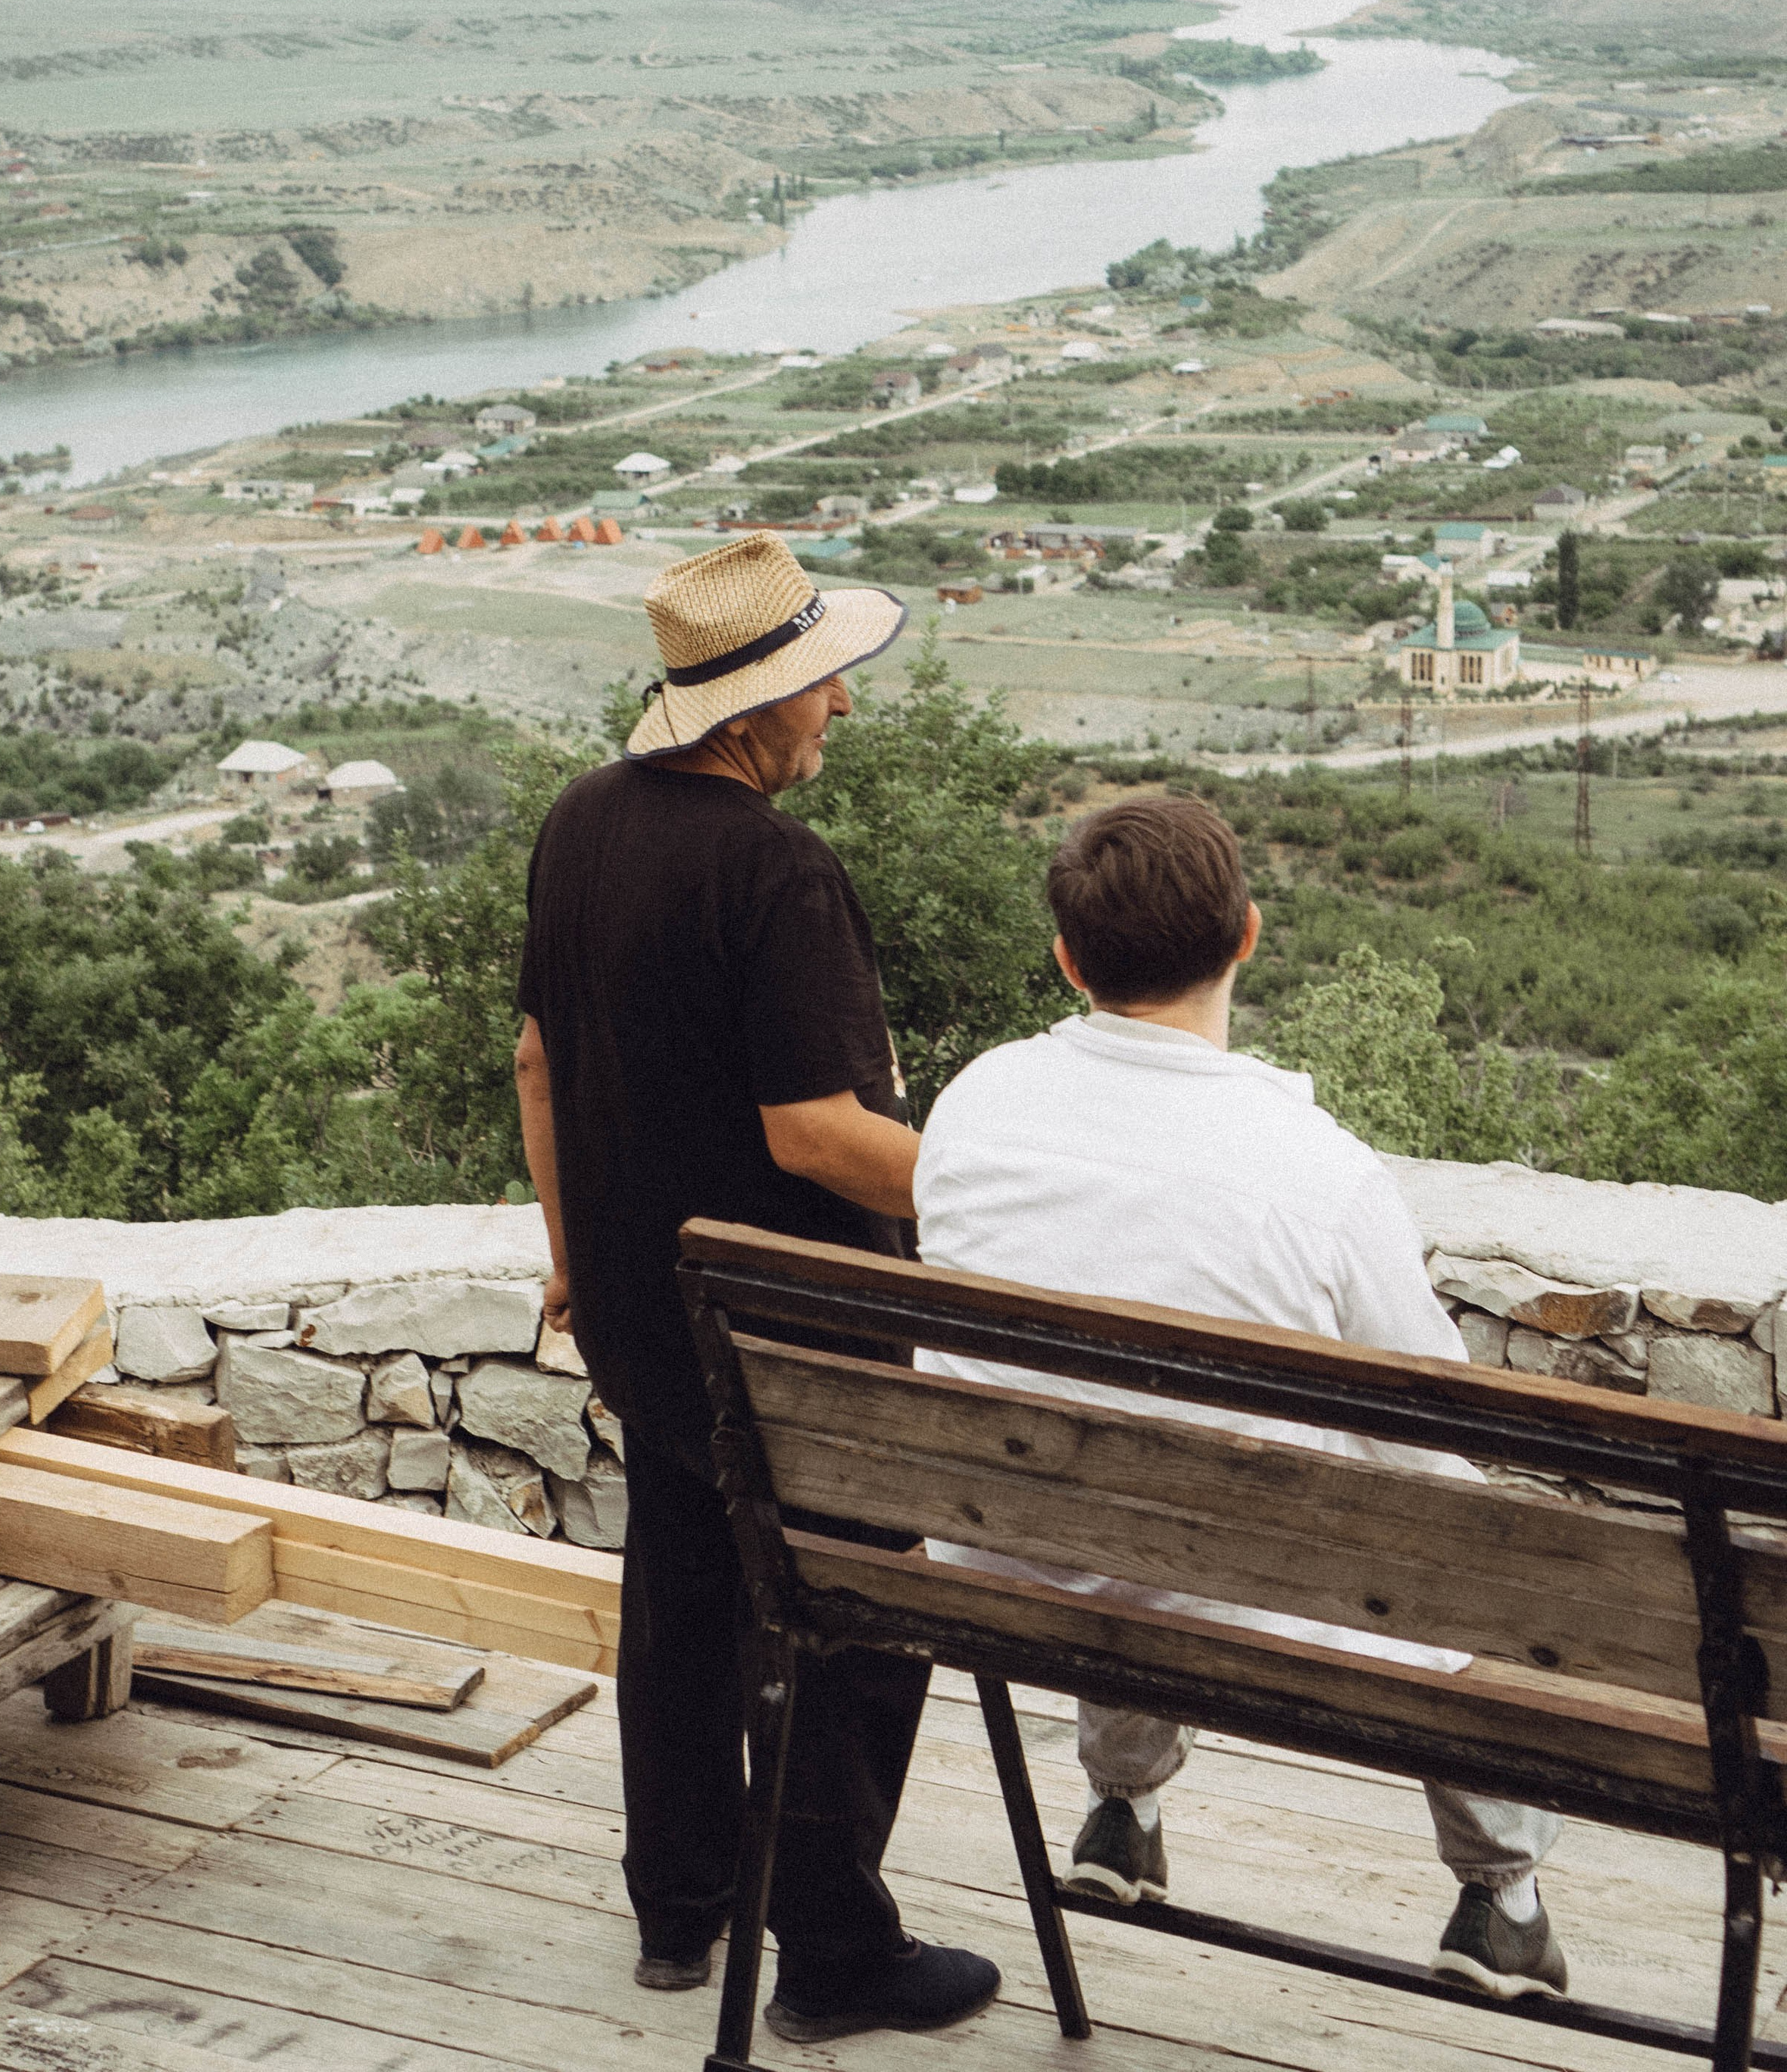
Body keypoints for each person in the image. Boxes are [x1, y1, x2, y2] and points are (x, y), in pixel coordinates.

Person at [913, 794, 1570, 2007]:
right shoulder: (1315, 1169)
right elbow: (1434, 1414)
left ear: (1067, 959)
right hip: (1240, 1589)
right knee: (1457, 1540)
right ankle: (1503, 1895)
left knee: (1116, 1487)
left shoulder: (977, 1106)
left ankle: (1120, 1810)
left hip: (999, 1560)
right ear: (1249, 937)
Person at [515, 529, 999, 2047]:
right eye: (822, 686)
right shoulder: (775, 868)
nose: (840, 710)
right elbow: (819, 1136)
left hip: (645, 1315)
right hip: (797, 1340)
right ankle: (836, 1954)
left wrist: (571, 1261)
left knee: (678, 1587)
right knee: (856, 1611)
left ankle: (677, 1906)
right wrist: (994, 1189)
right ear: (751, 714)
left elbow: (536, 1060)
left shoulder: (580, 819)